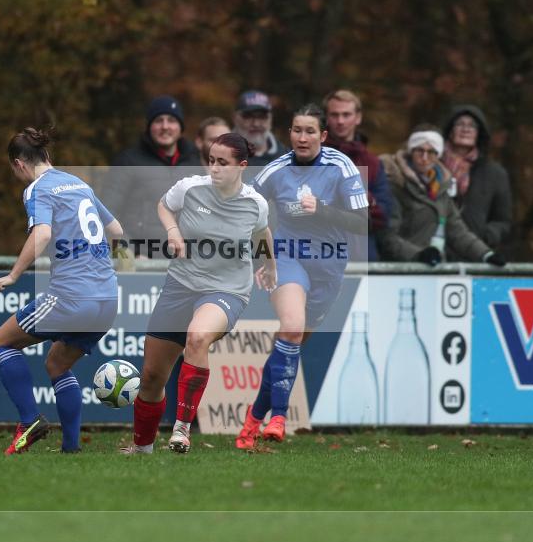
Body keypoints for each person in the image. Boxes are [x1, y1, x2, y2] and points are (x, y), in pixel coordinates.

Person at [123, 132, 276, 455]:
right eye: (211, 161)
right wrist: (173, 230)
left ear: (242, 166)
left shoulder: (255, 203)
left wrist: (270, 265)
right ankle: (142, 448)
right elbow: (164, 206)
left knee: (197, 336)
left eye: (223, 163)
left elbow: (263, 232)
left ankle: (182, 429)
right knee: (151, 376)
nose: (214, 168)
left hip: (227, 290)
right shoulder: (190, 188)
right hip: (180, 285)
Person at [235, 105, 369, 450]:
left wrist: (322, 210)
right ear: (289, 134)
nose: (303, 137)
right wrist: (264, 259)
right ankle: (279, 418)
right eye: (297, 130)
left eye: (310, 131)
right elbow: (246, 215)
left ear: (323, 136)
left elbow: (363, 222)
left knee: (289, 346)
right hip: (287, 257)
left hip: (328, 267)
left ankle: (253, 419)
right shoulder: (276, 171)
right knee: (292, 327)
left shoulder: (341, 167)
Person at [0, 126, 123, 455]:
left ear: (19, 164)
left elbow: (43, 234)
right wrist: (103, 266)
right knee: (57, 364)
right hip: (107, 298)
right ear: (47, 155)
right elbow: (117, 230)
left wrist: (13, 275)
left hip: (72, 296)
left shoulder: (37, 189)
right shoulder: (79, 184)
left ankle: (29, 421)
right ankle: (71, 448)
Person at [377, 125, 506, 266]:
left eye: (431, 152)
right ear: (411, 151)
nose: (425, 158)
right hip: (400, 269)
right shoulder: (395, 184)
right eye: (419, 151)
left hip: (433, 268)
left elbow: (457, 232)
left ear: (438, 155)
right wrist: (418, 255)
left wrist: (486, 254)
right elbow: (387, 237)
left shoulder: (441, 187)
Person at [103, 96, 201, 248]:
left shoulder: (195, 163)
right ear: (149, 126)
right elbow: (107, 214)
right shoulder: (127, 161)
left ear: (180, 127)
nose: (165, 126)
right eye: (158, 120)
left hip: (185, 258)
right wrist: (128, 254)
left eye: (171, 120)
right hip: (141, 258)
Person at [323, 89, 392, 261]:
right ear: (326, 118)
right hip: (318, 253)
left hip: (361, 255)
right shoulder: (310, 157)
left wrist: (365, 199)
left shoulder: (372, 163)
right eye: (334, 115)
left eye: (346, 115)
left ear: (358, 117)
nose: (340, 121)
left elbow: (384, 215)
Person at [441, 105, 512, 255]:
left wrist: (487, 235)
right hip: (434, 250)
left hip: (475, 254)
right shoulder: (432, 164)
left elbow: (503, 221)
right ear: (450, 131)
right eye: (460, 124)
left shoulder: (495, 173)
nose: (465, 129)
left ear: (479, 133)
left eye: (472, 126)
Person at [232, 90, 289, 166]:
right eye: (248, 116)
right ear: (234, 118)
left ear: (271, 119)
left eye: (262, 117)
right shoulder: (221, 155)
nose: (256, 124)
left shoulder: (287, 158)